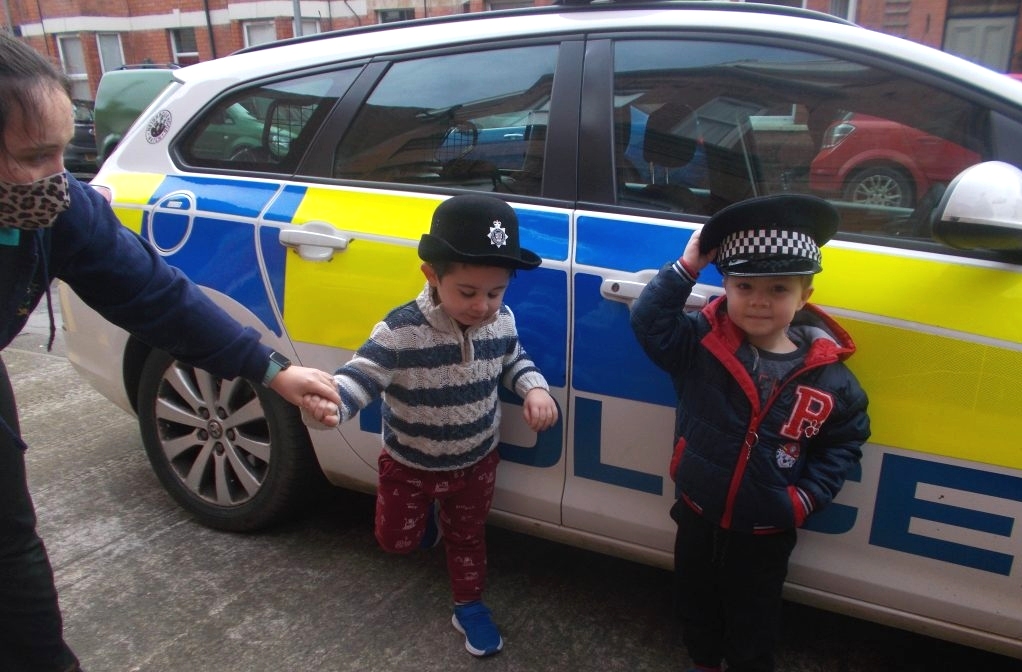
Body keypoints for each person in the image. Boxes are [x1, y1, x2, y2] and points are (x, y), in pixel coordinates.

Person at [0, 33, 341, 672]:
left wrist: (273, 370)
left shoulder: (56, 209)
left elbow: (158, 298)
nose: (59, 178)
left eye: (60, 150)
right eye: (33, 156)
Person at [302, 193, 559, 657]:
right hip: (409, 464)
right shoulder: (400, 331)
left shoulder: (501, 321)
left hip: (476, 461)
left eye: (496, 292)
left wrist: (534, 389)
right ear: (432, 275)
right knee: (396, 541)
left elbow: (514, 359)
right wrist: (334, 404)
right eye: (467, 292)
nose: (483, 306)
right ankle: (424, 526)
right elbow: (363, 373)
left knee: (468, 537)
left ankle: (470, 604)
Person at [629, 194, 870, 672]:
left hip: (766, 530)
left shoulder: (830, 379)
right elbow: (649, 323)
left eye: (778, 288)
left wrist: (803, 500)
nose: (759, 300)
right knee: (693, 606)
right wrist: (688, 265)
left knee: (753, 623)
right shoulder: (700, 342)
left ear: (804, 296)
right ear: (726, 287)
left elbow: (844, 441)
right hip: (697, 513)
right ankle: (703, 662)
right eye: (744, 285)